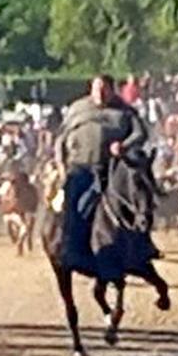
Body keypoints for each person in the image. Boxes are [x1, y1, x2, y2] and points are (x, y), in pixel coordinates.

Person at [55, 74, 149, 271]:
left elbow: (141, 133)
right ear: (90, 89)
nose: (100, 93)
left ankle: (142, 247)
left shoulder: (125, 111)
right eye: (97, 88)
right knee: (74, 207)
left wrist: (124, 145)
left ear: (112, 90)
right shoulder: (77, 109)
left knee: (139, 200)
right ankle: (71, 249)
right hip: (79, 168)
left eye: (105, 89)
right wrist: (61, 165)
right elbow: (60, 139)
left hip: (112, 170)